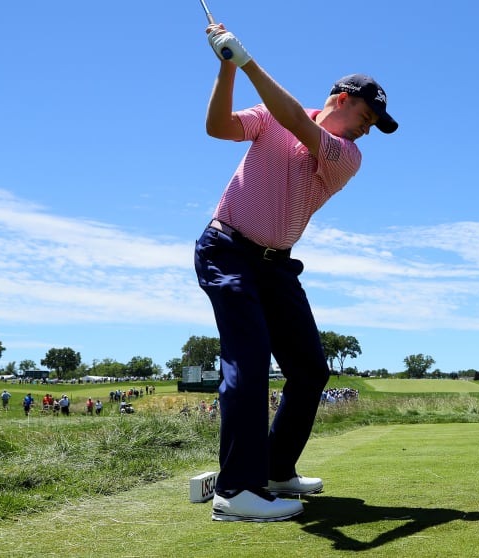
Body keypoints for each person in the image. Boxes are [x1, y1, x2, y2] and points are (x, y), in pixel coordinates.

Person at [195, 22, 396, 523]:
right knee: (248, 362)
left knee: (310, 369)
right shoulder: (269, 114)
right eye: (366, 116)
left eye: (373, 124)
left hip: (276, 266)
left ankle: (275, 469)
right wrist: (227, 68)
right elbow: (218, 127)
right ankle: (236, 491)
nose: (367, 129)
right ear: (341, 98)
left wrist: (246, 62)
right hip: (227, 250)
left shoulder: (346, 155)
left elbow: (296, 122)